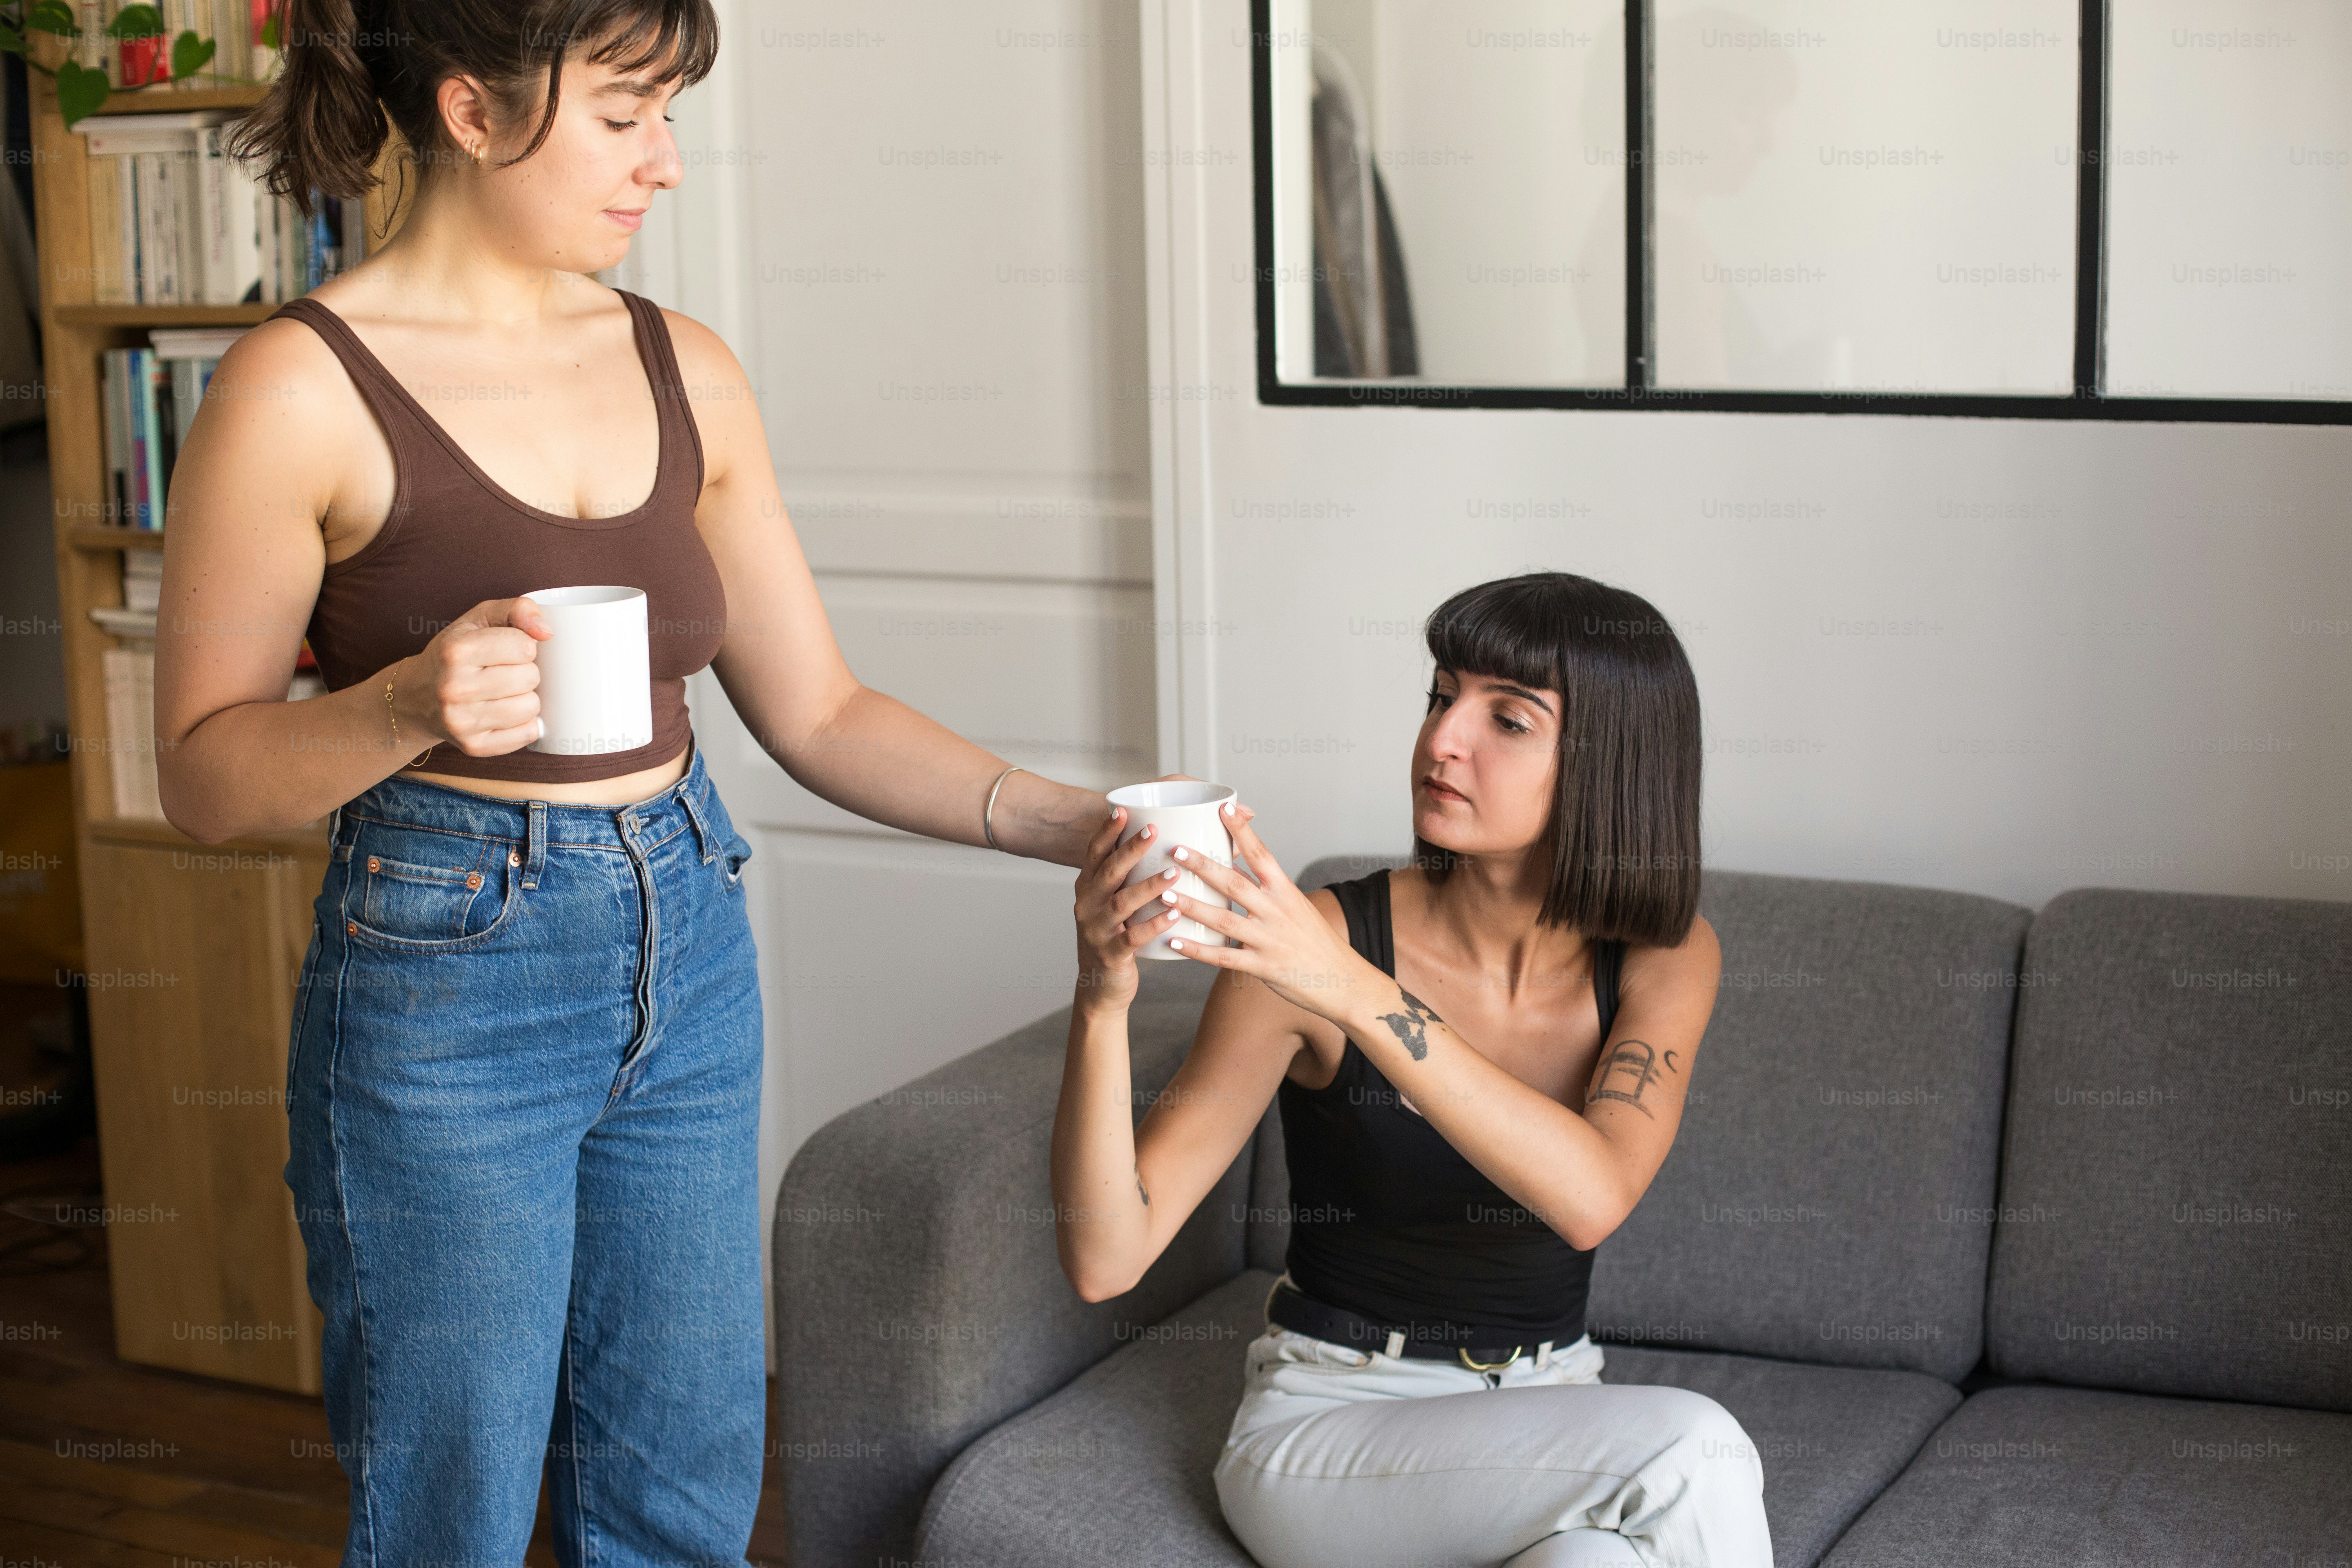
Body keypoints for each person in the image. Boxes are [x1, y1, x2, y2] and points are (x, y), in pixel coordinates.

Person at [151, 2, 1104, 1561]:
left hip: (689, 928)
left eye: (669, 115)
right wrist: (403, 704)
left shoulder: (686, 366)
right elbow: (203, 779)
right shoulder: (298, 390)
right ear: (471, 112)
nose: (664, 163)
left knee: (684, 1474)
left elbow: (823, 711)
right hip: (448, 967)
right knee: (452, 1498)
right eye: (621, 115)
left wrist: (1076, 822)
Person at [1050, 572, 1773, 1568]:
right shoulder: (1316, 944)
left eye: (1507, 719)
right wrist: (1102, 996)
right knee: (1697, 1450)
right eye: (1442, 696)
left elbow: (1594, 1194)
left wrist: (1353, 991)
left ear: (1610, 763)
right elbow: (1107, 1258)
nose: (1443, 740)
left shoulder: (1665, 955)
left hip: (1545, 1409)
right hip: (1329, 1429)